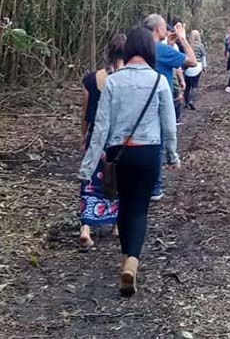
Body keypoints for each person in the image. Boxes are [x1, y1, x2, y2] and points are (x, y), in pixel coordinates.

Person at [79, 26, 180, 296]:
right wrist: (172, 154)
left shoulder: (113, 81)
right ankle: (132, 263)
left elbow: (100, 127)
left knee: (123, 205)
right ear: (148, 50)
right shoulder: (159, 81)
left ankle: (126, 260)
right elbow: (169, 125)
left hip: (118, 154)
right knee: (139, 209)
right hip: (148, 153)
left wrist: (88, 166)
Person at [78, 34, 125, 250]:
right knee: (117, 180)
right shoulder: (127, 81)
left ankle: (85, 229)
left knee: (90, 180)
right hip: (118, 139)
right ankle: (116, 225)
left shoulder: (91, 78)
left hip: (95, 137)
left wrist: (83, 135)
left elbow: (86, 111)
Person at [143, 14, 196, 201]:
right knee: (157, 143)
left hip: (137, 98)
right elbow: (192, 61)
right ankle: (155, 187)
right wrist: (182, 38)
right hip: (158, 100)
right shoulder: (162, 50)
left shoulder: (138, 48)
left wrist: (169, 43)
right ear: (158, 29)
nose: (168, 30)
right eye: (165, 27)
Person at [184, 30, 207, 110]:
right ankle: (192, 101)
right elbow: (203, 57)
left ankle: (186, 102)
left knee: (187, 86)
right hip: (197, 66)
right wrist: (204, 67)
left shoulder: (188, 45)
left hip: (187, 67)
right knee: (195, 85)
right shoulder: (201, 46)